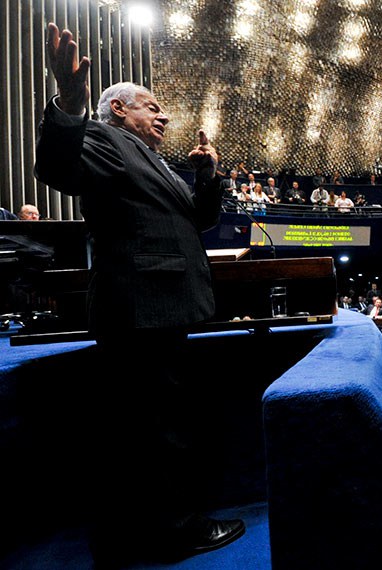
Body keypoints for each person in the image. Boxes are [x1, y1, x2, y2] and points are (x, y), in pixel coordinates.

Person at [34, 24, 244, 564]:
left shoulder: (158, 163)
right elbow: (55, 166)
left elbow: (199, 219)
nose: (163, 115)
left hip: (162, 305)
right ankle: (175, 532)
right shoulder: (105, 140)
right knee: (157, 427)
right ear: (120, 111)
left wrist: (209, 174)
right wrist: (70, 101)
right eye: (151, 106)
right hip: (139, 306)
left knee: (156, 421)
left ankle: (145, 526)